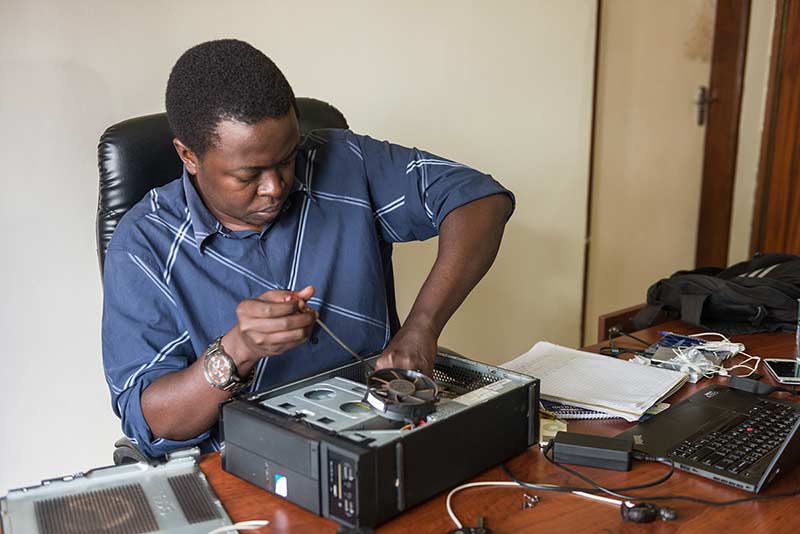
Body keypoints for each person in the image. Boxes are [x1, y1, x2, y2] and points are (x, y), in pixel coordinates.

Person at [102, 39, 514, 459]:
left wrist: (422, 326)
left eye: (285, 159)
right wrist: (239, 349)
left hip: (380, 435)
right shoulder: (142, 246)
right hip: (247, 467)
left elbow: (479, 200)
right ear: (189, 156)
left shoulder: (346, 161)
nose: (275, 187)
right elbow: (151, 421)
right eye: (249, 174)